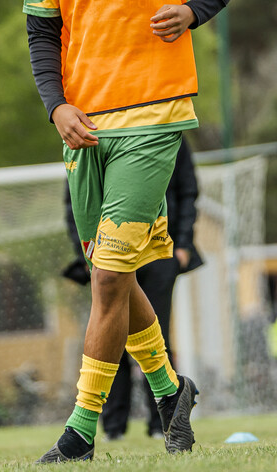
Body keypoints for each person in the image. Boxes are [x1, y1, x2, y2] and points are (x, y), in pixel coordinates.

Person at [24, 0, 232, 462]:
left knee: (109, 275)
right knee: (111, 274)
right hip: (84, 126)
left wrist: (192, 12)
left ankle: (79, 433)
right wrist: (57, 107)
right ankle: (171, 393)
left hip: (156, 117)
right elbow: (41, 32)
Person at [61, 135, 203, 441]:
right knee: (113, 332)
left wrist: (183, 244)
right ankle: (112, 425)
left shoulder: (165, 128)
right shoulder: (88, 130)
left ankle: (160, 421)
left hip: (159, 249)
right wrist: (84, 250)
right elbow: (74, 198)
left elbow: (187, 190)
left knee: (158, 330)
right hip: (108, 246)